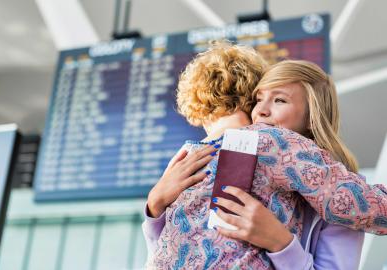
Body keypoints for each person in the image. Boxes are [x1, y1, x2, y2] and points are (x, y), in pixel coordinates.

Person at [143, 43, 387, 269]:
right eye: (258, 100)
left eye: (279, 100)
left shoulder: (190, 153)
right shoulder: (271, 143)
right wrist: (155, 204)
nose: (262, 110)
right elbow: (361, 204)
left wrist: (279, 241)